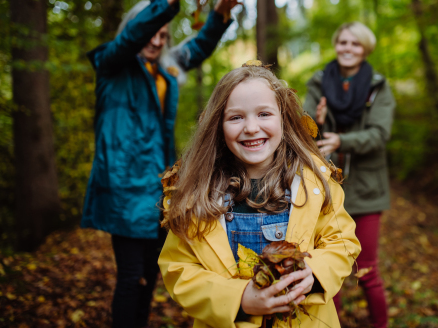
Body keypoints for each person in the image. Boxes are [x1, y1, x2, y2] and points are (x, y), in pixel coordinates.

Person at [80, 0, 243, 328]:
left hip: (159, 189)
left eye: (164, 35)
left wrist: (218, 14)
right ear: (137, 30)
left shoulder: (165, 69)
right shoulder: (113, 65)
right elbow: (131, 38)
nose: (157, 40)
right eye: (152, 32)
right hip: (123, 188)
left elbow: (197, 47)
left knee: (150, 279)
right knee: (131, 277)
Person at [158, 64, 361, 328]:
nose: (251, 128)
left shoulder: (314, 179)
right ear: (218, 125)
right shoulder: (199, 191)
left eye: (264, 114)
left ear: (283, 119)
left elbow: (342, 242)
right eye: (236, 117)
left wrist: (315, 275)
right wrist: (238, 299)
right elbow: (179, 268)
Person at [303, 22, 395, 328]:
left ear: (365, 49)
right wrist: (317, 122)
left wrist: (343, 141)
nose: (347, 48)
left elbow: (379, 134)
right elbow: (303, 131)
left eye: (355, 44)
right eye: (342, 42)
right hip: (326, 188)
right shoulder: (318, 81)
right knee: (328, 267)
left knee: (366, 270)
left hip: (366, 189)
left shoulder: (378, 86)